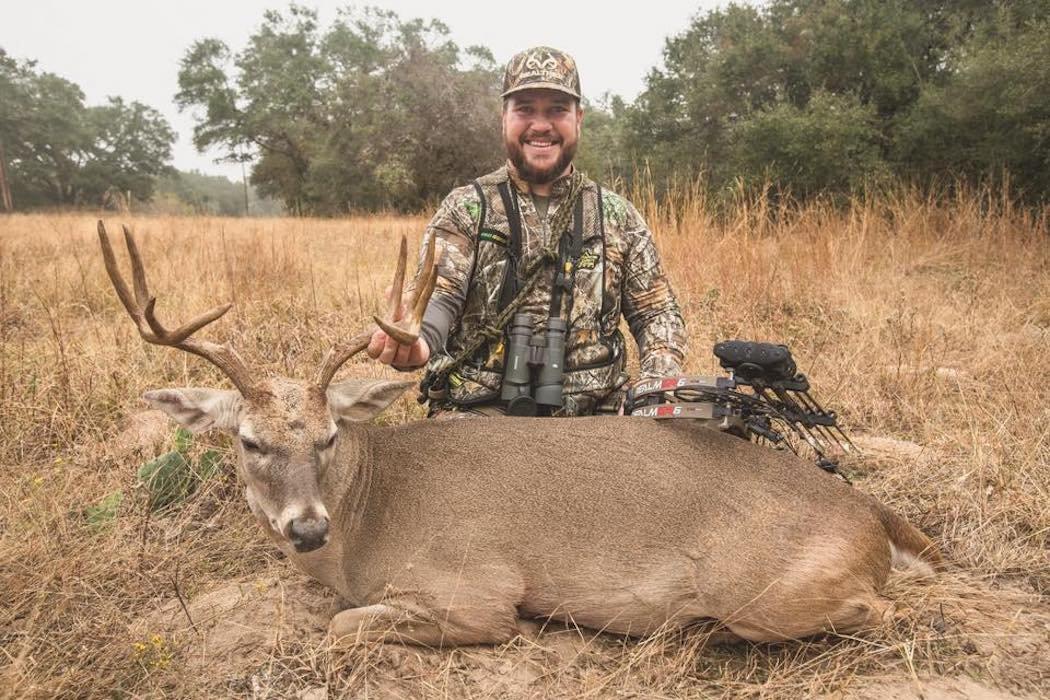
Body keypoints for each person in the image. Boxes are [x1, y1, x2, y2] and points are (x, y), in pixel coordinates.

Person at [367, 46, 687, 417]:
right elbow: (441, 296)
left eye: (557, 109)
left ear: (579, 118)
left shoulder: (617, 215)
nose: (540, 125)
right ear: (503, 117)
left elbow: (658, 313)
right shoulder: (466, 208)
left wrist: (653, 389)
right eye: (524, 109)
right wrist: (419, 342)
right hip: (481, 415)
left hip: (598, 420)